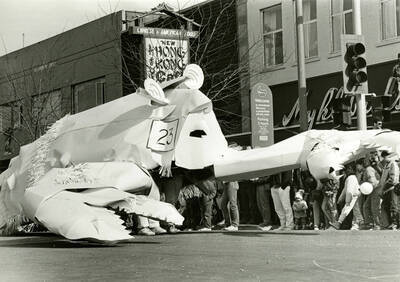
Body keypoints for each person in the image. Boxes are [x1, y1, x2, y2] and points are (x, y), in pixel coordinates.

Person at [330, 162, 363, 230]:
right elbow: (345, 190)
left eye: (348, 169)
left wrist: (347, 201)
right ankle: (361, 223)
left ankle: (339, 223)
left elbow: (349, 191)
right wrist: (341, 198)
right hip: (354, 196)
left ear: (352, 169)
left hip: (352, 196)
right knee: (356, 211)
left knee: (346, 209)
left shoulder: (351, 178)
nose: (346, 171)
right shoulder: (350, 178)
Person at [378, 150, 399, 230]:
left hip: (392, 188)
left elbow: (392, 179)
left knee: (394, 206)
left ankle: (395, 224)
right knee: (385, 206)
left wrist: (383, 188)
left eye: (383, 157)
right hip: (387, 189)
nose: (382, 159)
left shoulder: (392, 164)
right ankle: (388, 224)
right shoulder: (386, 165)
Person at [361, 154, 381, 230]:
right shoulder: (370, 168)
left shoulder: (368, 169)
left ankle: (377, 224)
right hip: (373, 190)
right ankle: (369, 223)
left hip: (375, 190)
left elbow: (373, 181)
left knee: (374, 207)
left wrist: (365, 188)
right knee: (366, 206)